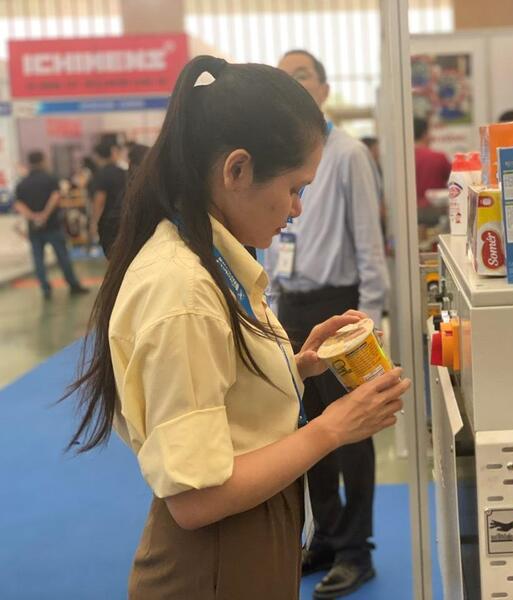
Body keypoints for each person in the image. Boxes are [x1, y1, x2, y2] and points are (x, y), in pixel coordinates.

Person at [64, 56, 409, 600]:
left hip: (249, 540)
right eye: (294, 188)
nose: (297, 209)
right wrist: (332, 428)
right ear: (237, 170)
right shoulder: (184, 291)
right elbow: (195, 498)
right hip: (217, 559)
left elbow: (222, 395)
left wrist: (297, 366)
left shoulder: (211, 260)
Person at [265, 49, 389, 599]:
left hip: (341, 308)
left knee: (352, 433)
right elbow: (274, 245)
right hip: (290, 307)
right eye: (283, 79)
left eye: (302, 76)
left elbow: (370, 247)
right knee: (306, 430)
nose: (293, 86)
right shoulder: (279, 157)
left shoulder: (348, 154)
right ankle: (326, 537)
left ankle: (357, 551)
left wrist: (372, 321)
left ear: (324, 88)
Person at [13, 151, 88, 300]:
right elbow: (55, 196)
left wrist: (33, 216)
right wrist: (45, 215)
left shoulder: (22, 183)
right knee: (62, 256)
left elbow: (18, 204)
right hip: (52, 226)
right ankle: (73, 284)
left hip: (34, 228)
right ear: (42, 161)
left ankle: (45, 289)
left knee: (38, 259)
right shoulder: (50, 178)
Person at [91, 140, 127, 257]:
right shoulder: (123, 172)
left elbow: (99, 201)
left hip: (108, 221)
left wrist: (94, 223)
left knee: (112, 255)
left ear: (98, 156)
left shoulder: (101, 174)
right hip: (125, 217)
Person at [413, 116, 451, 208]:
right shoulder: (439, 158)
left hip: (411, 209)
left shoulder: (405, 161)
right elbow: (456, 183)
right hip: (435, 210)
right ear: (424, 134)